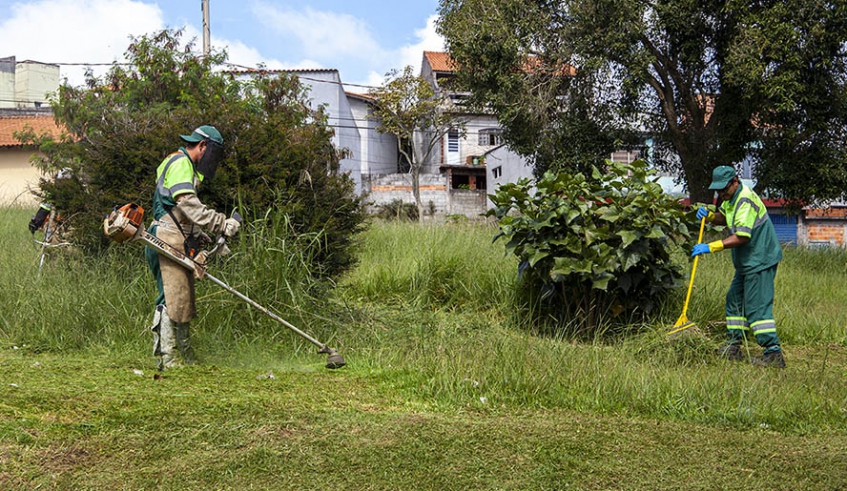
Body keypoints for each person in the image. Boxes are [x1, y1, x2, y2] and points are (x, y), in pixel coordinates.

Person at [145, 125, 241, 371]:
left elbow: (174, 209)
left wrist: (199, 234)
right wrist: (221, 223)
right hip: (166, 237)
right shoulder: (180, 163)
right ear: (203, 146)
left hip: (176, 235)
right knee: (170, 297)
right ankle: (168, 358)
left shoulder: (178, 163)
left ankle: (185, 355)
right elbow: (185, 202)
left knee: (182, 298)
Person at [692, 165, 785, 368]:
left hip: (760, 259)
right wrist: (709, 217)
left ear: (735, 182)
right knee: (734, 300)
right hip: (746, 263)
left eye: (724, 189)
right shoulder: (730, 199)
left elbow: (742, 236)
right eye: (718, 191)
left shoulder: (744, 199)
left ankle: (773, 353)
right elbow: (724, 217)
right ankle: (733, 345)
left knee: (757, 308)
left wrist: (711, 247)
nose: (721, 194)